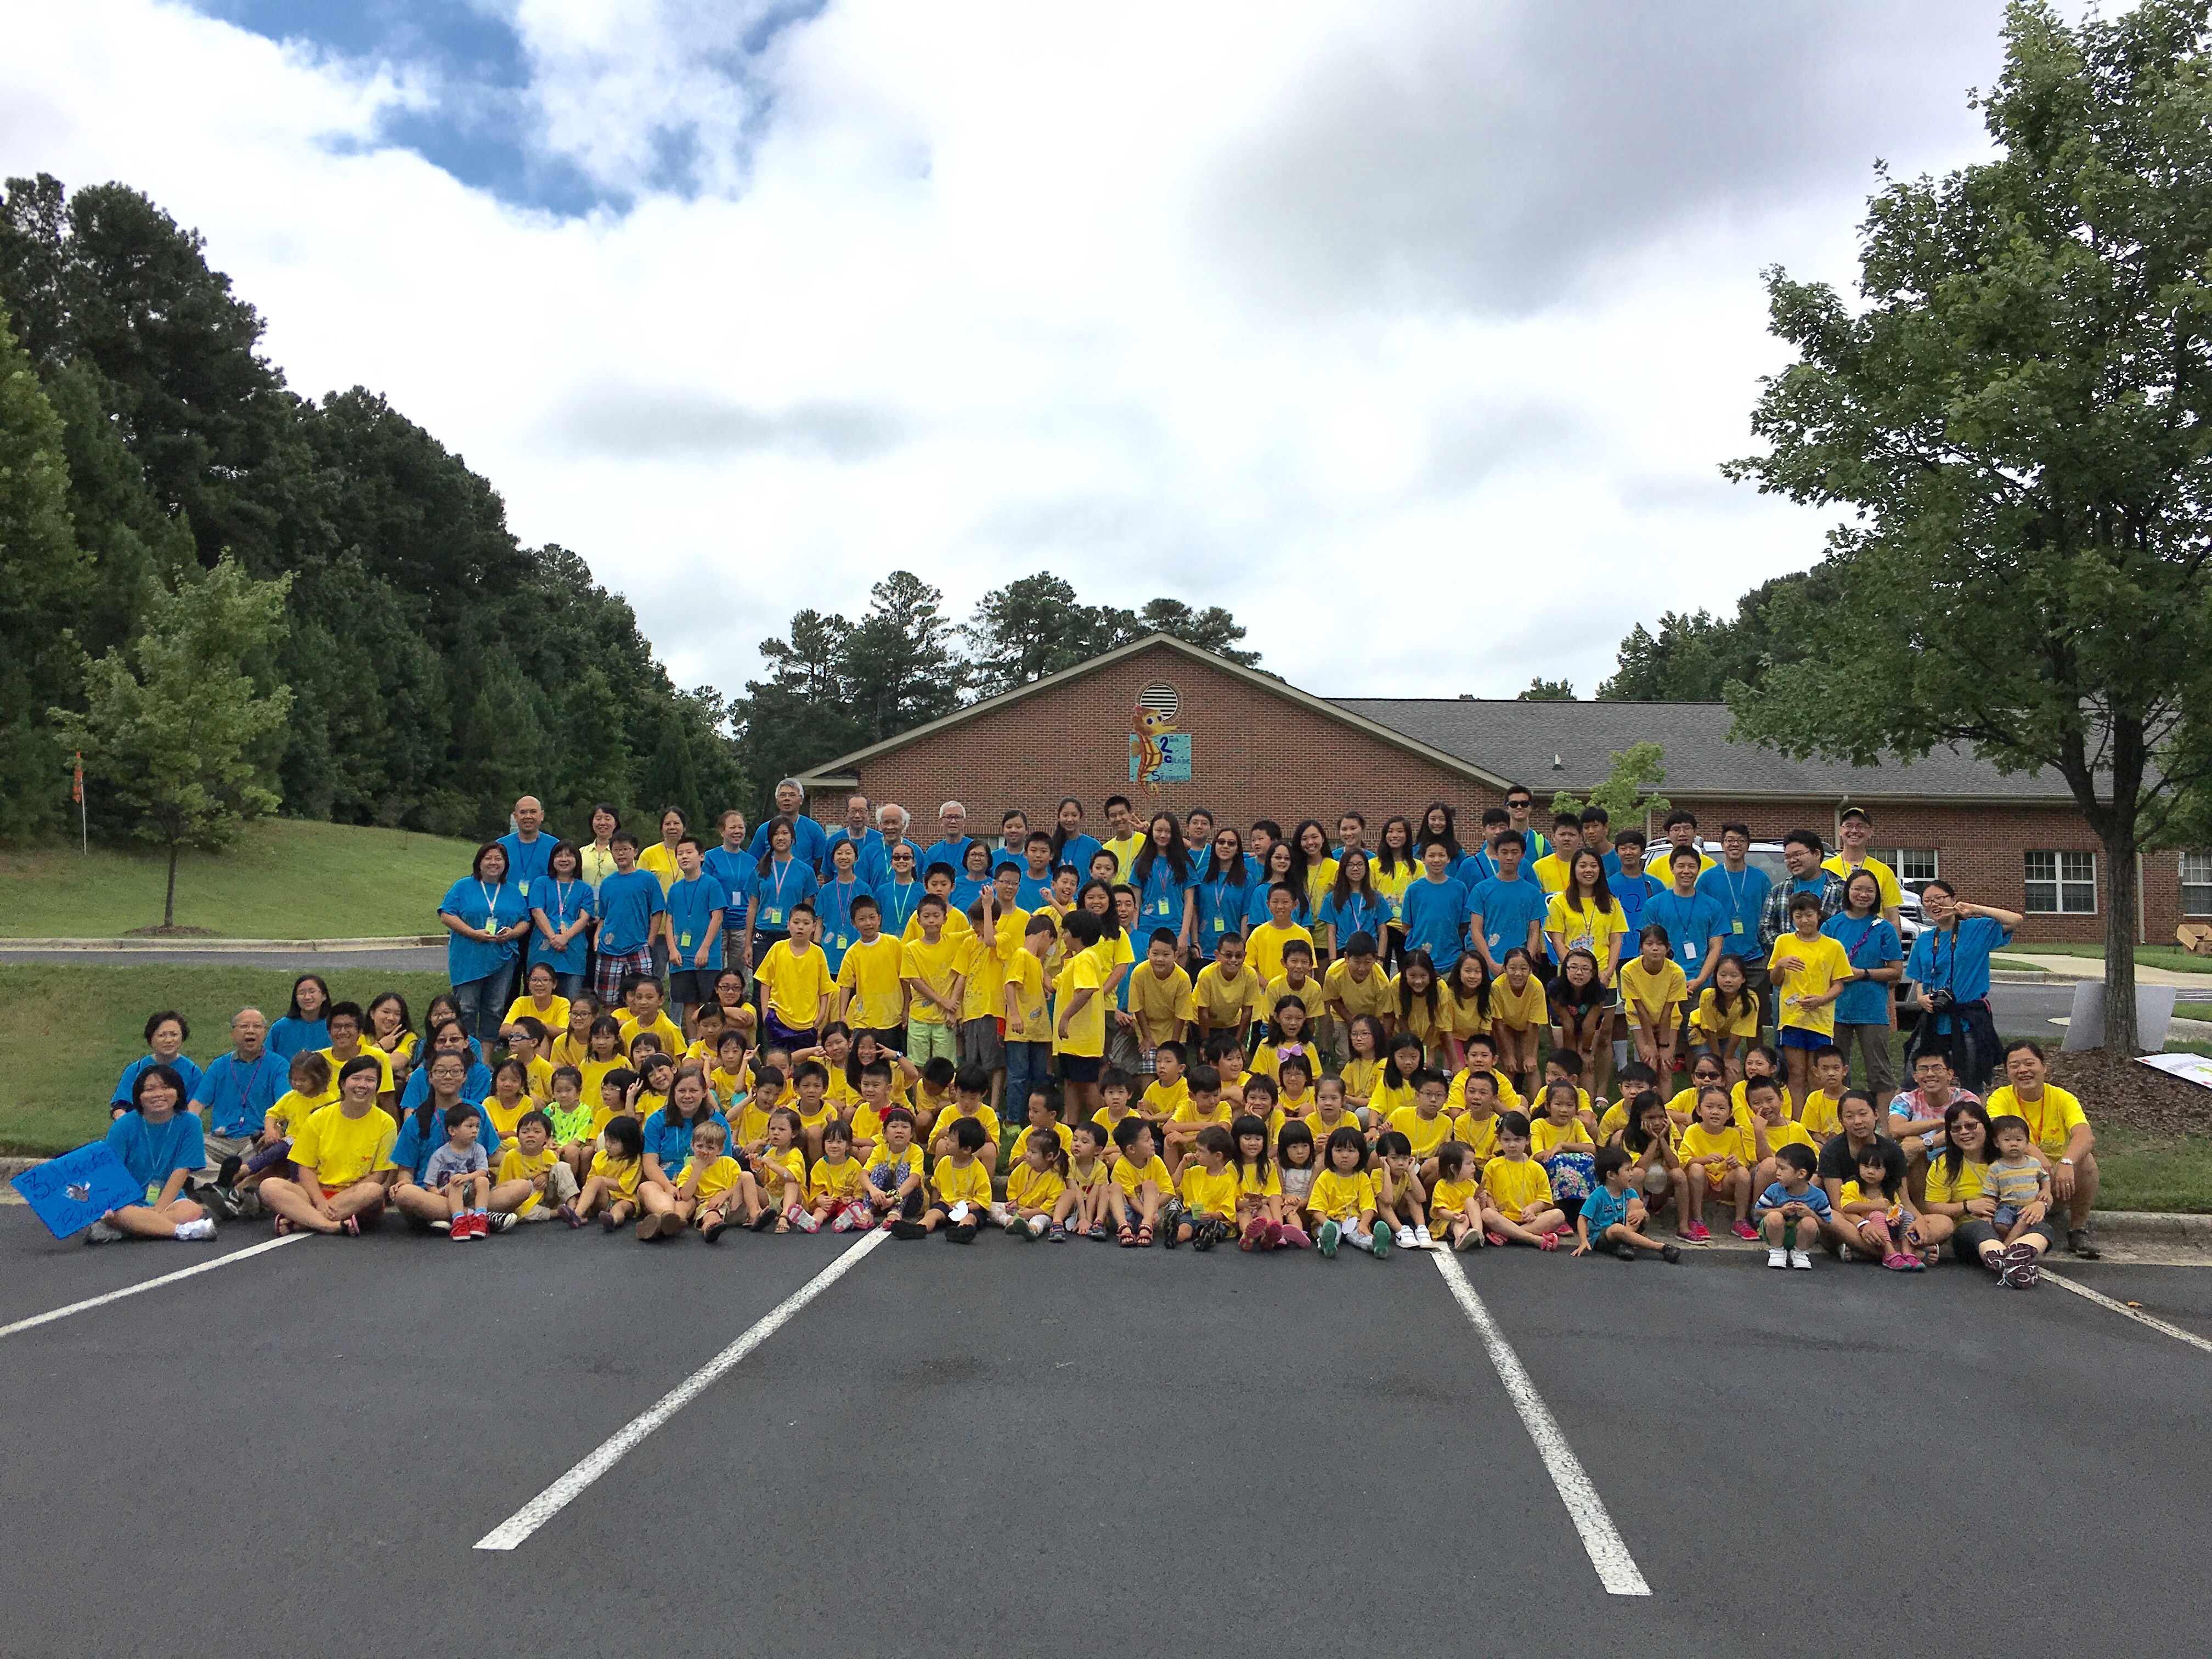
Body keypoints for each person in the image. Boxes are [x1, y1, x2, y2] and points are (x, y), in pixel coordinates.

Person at [1901, 880, 2022, 1096]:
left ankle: (1975, 1116)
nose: (1934, 904)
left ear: (1953, 900)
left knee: (1972, 1082)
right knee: (1913, 1077)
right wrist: (1920, 997)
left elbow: (2015, 920)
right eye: (1928, 901)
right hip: (1935, 1019)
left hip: (1968, 1020)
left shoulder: (1976, 929)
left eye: (1940, 898)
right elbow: (1919, 978)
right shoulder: (1925, 940)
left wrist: (1974, 909)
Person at [1982, 1039, 2100, 1257]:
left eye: (2030, 1063)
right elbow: (1995, 1130)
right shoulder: (2000, 1097)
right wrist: (2038, 1157)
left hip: (2057, 1180)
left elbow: (2086, 1136)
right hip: (2015, 1177)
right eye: (2015, 1066)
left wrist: (2067, 1162)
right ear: (2007, 1072)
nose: (2023, 1070)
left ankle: (2078, 1230)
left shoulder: (2062, 1098)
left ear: (2044, 1067)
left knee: (2087, 1162)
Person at [259, 1057, 398, 1236]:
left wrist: (333, 1202)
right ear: (343, 1084)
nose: (362, 1085)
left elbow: (379, 1175)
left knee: (374, 1191)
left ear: (377, 1086)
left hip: (354, 1197)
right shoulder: (320, 1117)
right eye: (356, 1079)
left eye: (370, 1080)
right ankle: (330, 1225)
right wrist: (320, 1202)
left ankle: (303, 1221)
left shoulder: (386, 1123)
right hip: (316, 1192)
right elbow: (305, 1167)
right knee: (269, 1186)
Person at [82, 1066, 217, 1244]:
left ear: (178, 1092)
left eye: (166, 1087)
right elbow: (111, 1172)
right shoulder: (124, 1125)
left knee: (193, 1211)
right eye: (150, 1089)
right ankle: (181, 1231)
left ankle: (131, 1229)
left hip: (168, 1198)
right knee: (123, 1213)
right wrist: (126, 1208)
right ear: (139, 1096)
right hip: (127, 1200)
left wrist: (155, 1211)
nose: (158, 1094)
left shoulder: (190, 1123)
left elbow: (182, 1171)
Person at [189, 1007, 290, 1214]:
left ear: (264, 1033)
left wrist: (273, 1130)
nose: (250, 1031)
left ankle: (220, 1187)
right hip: (221, 1140)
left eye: (257, 1026)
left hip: (255, 1140)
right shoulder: (220, 1065)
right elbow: (196, 1106)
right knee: (187, 1147)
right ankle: (230, 1183)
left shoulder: (278, 1065)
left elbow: (286, 1106)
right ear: (233, 1033)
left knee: (272, 1151)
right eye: (244, 1026)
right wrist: (186, 1131)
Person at [1822, 868, 1904, 1107]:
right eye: (1857, 889)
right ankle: (1838, 1119)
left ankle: (1887, 1125)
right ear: (1848, 891)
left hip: (1872, 1010)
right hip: (1836, 1009)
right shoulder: (1831, 926)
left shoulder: (1884, 928)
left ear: (1877, 895)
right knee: (1834, 1071)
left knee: (1879, 1072)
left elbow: (1895, 972)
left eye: (1870, 890)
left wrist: (1863, 973)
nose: (1863, 894)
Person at [1768, 891, 1851, 1110]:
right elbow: (1775, 980)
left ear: (1818, 915)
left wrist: (1821, 1000)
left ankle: (1817, 1118)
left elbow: (1839, 984)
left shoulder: (1833, 946)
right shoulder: (1783, 941)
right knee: (1795, 1073)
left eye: (1809, 915)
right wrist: (1780, 965)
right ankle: (1798, 1121)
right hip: (1792, 1018)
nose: (1804, 921)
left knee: (1818, 1074)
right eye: (1798, 916)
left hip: (1820, 1020)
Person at [1697, 823, 1773, 1011]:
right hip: (1719, 957)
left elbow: (1770, 916)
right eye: (1730, 840)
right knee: (1718, 1013)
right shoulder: (1707, 878)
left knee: (1754, 1014)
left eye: (1741, 841)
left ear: (1748, 845)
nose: (1735, 844)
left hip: (1755, 959)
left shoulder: (1761, 878)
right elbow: (1700, 917)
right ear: (1722, 845)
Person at [591, 831, 665, 1005]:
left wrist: (650, 941)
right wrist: (597, 938)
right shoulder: (608, 883)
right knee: (608, 1001)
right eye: (617, 850)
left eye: (626, 849)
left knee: (642, 998)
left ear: (635, 852)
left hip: (638, 946)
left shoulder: (648, 879)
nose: (621, 854)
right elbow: (603, 916)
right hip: (609, 947)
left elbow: (657, 912)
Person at [1572, 1146, 1682, 1262]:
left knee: (1637, 1204)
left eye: (1632, 1169)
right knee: (1616, 1228)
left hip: (1626, 1229)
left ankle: (1624, 1244)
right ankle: (1661, 1247)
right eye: (1628, 1170)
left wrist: (1643, 1213)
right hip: (1603, 1236)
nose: (1632, 1174)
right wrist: (1584, 1241)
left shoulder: (1630, 1192)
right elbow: (1582, 1218)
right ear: (1611, 1175)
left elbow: (1645, 1216)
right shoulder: (1598, 1195)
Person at [528, 840, 595, 1000]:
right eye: (559, 856)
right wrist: (553, 938)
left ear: (577, 860)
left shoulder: (585, 889)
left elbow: (584, 918)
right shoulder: (541, 883)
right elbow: (537, 911)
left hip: (573, 949)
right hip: (544, 947)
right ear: (552, 860)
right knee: (539, 999)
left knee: (571, 1001)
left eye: (569, 855)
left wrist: (565, 938)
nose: (564, 859)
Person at [1888, 1049, 1978, 1166]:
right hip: (1921, 1161)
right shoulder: (1905, 1100)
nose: (1930, 1074)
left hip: (1957, 1156)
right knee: (1911, 1140)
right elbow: (1896, 1130)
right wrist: (1944, 1122)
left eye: (1937, 1068)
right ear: (1915, 1076)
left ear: (1950, 1074)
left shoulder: (1966, 1098)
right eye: (1923, 1069)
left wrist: (1925, 1145)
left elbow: (1968, 1130)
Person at [1821, 806, 1903, 928]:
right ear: (1840, 831)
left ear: (1870, 832)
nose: (1854, 831)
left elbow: (1893, 919)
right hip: (1833, 937)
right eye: (1849, 826)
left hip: (1872, 936)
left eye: (1860, 826)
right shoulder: (1824, 869)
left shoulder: (1884, 871)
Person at [109, 1011, 202, 1117]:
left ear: (182, 1038)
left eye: (174, 1035)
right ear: (151, 1039)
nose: (168, 1040)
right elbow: (119, 1107)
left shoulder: (193, 1072)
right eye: (162, 1035)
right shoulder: (135, 1070)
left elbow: (194, 1109)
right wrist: (126, 1124)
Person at [422, 1104, 494, 1240]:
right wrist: (435, 1193)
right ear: (452, 1131)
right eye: (470, 1126)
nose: (475, 1130)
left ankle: (480, 1218)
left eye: (477, 1126)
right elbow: (430, 1182)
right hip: (449, 1193)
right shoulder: (440, 1154)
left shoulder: (479, 1150)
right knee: (456, 1183)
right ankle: (459, 1220)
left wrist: (467, 1177)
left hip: (470, 1193)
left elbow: (483, 1171)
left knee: (483, 1180)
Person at [1755, 1143, 1831, 1269]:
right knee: (1775, 1216)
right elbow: (1758, 1210)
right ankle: (1777, 1251)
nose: (1777, 1173)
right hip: (1775, 1232)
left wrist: (1811, 1214)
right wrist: (1781, 1211)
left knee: (1810, 1222)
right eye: (1777, 1167)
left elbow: (1827, 1224)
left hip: (1802, 1235)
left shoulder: (1819, 1196)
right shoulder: (1774, 1189)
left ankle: (1800, 1253)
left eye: (1783, 1169)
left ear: (1801, 1174)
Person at [745, 779, 829, 871]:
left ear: (801, 800)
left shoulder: (814, 829)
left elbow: (822, 860)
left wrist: (807, 875)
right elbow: (752, 860)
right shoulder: (765, 829)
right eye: (783, 795)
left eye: (792, 795)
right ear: (777, 800)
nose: (787, 799)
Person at [496, 795, 554, 905]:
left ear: (542, 815)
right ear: (515, 816)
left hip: (543, 909)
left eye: (533, 812)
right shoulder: (500, 846)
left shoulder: (555, 846)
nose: (528, 817)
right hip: (507, 907)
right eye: (523, 812)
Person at [825, 792, 889, 886]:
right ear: (846, 814)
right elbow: (828, 875)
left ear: (869, 815)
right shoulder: (834, 840)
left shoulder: (881, 840)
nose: (857, 816)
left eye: (862, 811)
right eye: (853, 811)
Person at [268, 974, 332, 1059]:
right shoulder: (280, 1028)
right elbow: (266, 1059)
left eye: (312, 992)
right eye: (302, 993)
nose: (307, 997)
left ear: (324, 996)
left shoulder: (335, 1026)